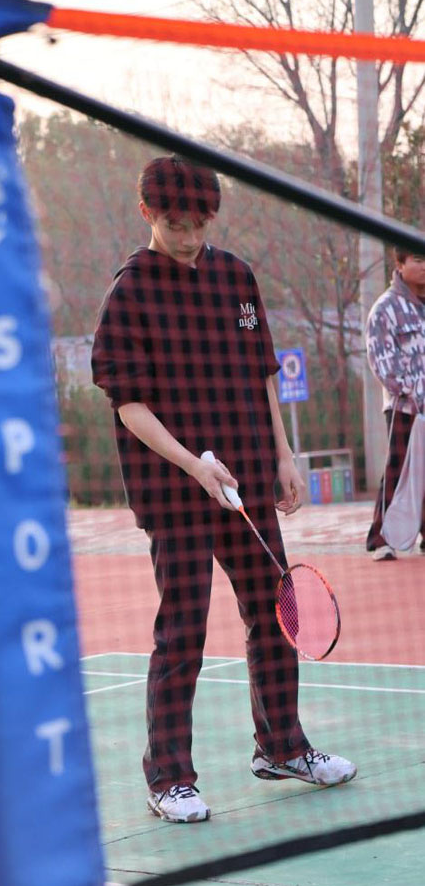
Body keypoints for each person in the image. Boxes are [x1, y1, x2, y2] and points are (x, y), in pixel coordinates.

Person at [92, 155, 356, 824]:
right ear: (146, 211)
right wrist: (193, 465)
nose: (189, 237)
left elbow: (263, 372)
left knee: (275, 613)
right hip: (176, 491)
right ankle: (169, 779)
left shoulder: (237, 277)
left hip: (248, 485)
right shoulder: (129, 294)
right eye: (175, 224)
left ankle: (282, 747)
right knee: (183, 630)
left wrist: (283, 456)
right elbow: (130, 407)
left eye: (200, 224)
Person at [366, 248, 425, 561]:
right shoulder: (385, 308)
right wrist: (412, 391)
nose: (424, 266)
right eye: (418, 259)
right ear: (400, 265)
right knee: (398, 471)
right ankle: (380, 539)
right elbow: (381, 362)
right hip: (405, 408)